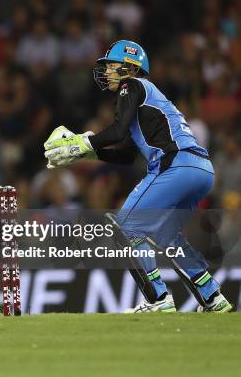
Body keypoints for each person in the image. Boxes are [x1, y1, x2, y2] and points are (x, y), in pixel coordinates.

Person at [43, 40, 232, 313]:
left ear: (129, 67)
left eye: (110, 66)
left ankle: (158, 299)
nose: (105, 71)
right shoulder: (148, 96)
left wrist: (83, 143)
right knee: (169, 237)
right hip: (201, 169)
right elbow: (127, 154)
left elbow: (117, 131)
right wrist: (89, 153)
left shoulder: (131, 85)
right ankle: (213, 296)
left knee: (127, 227)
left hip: (175, 166)